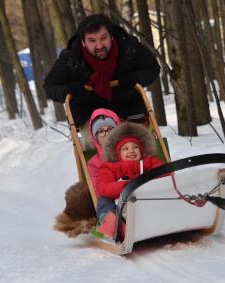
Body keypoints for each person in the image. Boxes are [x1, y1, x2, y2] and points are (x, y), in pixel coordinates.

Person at [43, 13, 160, 128]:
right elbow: (49, 86)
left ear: (111, 36)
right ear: (83, 42)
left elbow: (152, 68)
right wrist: (71, 90)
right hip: (89, 114)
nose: (99, 46)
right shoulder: (71, 58)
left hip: (128, 107)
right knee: (101, 140)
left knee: (133, 142)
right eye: (92, 41)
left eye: (103, 38)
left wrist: (133, 78)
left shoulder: (129, 49)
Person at [53, 108, 120, 238]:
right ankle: (110, 224)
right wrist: (114, 189)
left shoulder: (128, 150)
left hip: (132, 190)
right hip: (110, 195)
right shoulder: (94, 163)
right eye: (100, 132)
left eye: (110, 129)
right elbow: (97, 188)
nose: (106, 134)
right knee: (104, 202)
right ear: (95, 138)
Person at [95, 122, 165, 236]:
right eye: (125, 148)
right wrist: (124, 187)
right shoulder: (110, 167)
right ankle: (109, 223)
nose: (131, 151)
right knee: (104, 199)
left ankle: (166, 217)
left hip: (148, 201)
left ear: (141, 150)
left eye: (135, 147)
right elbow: (103, 185)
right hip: (121, 206)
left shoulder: (151, 162)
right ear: (117, 153)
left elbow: (166, 175)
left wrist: (149, 184)